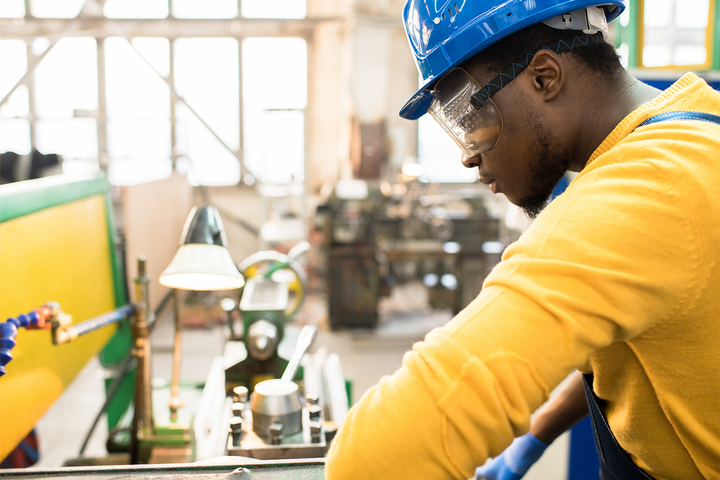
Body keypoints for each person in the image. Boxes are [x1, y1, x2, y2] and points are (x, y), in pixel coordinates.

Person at [325, 1, 720, 479]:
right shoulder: (694, 126)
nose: (468, 158)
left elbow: (371, 457)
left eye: (470, 117)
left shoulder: (642, 194)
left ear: (545, 77)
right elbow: (640, 344)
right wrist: (535, 436)